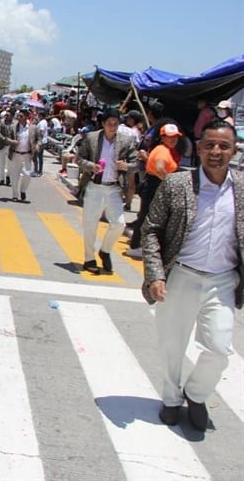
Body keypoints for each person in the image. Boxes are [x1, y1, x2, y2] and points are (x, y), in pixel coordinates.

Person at [141, 120, 243, 431]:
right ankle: (171, 399)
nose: (216, 151)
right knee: (172, 344)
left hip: (223, 281)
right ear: (198, 149)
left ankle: (196, 394)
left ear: (234, 151)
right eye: (210, 145)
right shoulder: (176, 185)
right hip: (180, 277)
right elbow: (151, 231)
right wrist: (156, 274)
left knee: (220, 349)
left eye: (224, 146)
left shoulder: (241, 188)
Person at [77, 108, 138, 274]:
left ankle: (105, 250)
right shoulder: (92, 138)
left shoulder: (126, 141)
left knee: (119, 224)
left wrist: (127, 166)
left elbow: (137, 163)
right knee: (90, 224)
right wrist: (91, 166)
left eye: (115, 124)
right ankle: (89, 258)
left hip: (113, 188)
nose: (112, 127)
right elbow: (79, 158)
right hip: (95, 186)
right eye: (109, 123)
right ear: (103, 124)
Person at [126, 123, 182, 258]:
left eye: (175, 137)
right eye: (169, 137)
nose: (173, 139)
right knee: (147, 217)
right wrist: (171, 183)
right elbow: (159, 168)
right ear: (163, 137)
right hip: (155, 185)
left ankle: (138, 244)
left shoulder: (164, 149)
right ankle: (135, 245)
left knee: (147, 216)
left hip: (154, 184)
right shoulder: (163, 150)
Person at [8, 109, 38, 202]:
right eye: (18, 116)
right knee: (15, 176)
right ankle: (15, 195)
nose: (18, 118)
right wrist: (13, 141)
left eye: (21, 116)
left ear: (26, 117)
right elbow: (7, 138)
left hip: (27, 155)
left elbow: (38, 139)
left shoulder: (33, 128)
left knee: (27, 174)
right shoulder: (13, 127)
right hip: (16, 154)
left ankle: (23, 190)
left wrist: (37, 145)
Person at [0, 110, 14, 186]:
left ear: (11, 116)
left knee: (10, 164)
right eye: (6, 115)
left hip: (10, 146)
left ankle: (8, 176)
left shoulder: (14, 124)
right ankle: (2, 179)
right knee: (2, 164)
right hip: (2, 145)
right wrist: (3, 139)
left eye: (8, 115)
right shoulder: (1, 123)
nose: (6, 116)